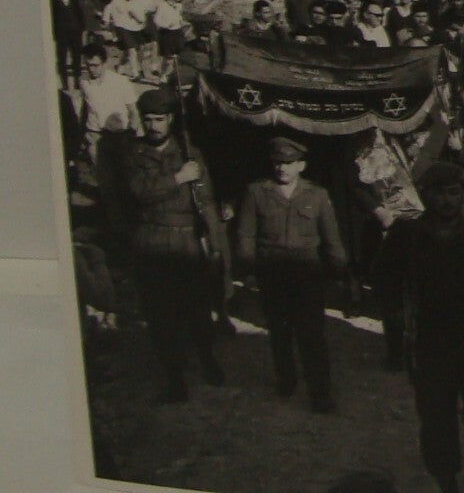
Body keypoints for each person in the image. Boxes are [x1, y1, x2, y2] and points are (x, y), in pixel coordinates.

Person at [372, 162, 464, 493]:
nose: (447, 201)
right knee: (437, 422)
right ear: (424, 195)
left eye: (454, 193)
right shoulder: (407, 236)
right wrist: (397, 327)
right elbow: (385, 284)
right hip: (430, 343)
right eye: (437, 192)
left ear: (463, 196)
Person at [108, 86, 228, 403]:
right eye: (148, 119)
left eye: (159, 119)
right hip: (151, 240)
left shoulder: (190, 152)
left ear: (171, 119)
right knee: (161, 316)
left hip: (187, 240)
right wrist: (178, 178)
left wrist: (214, 245)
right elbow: (137, 192)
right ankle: (174, 379)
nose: (153, 126)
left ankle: (207, 361)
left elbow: (206, 201)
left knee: (198, 310)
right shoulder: (132, 153)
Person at [236, 136, 345, 413]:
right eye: (277, 163)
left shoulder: (317, 195)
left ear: (301, 165)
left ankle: (321, 393)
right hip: (271, 272)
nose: (282, 168)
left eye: (288, 163)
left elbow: (331, 238)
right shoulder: (256, 192)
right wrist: (248, 270)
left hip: (307, 273)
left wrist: (339, 271)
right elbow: (245, 235)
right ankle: (286, 379)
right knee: (279, 332)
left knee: (312, 335)